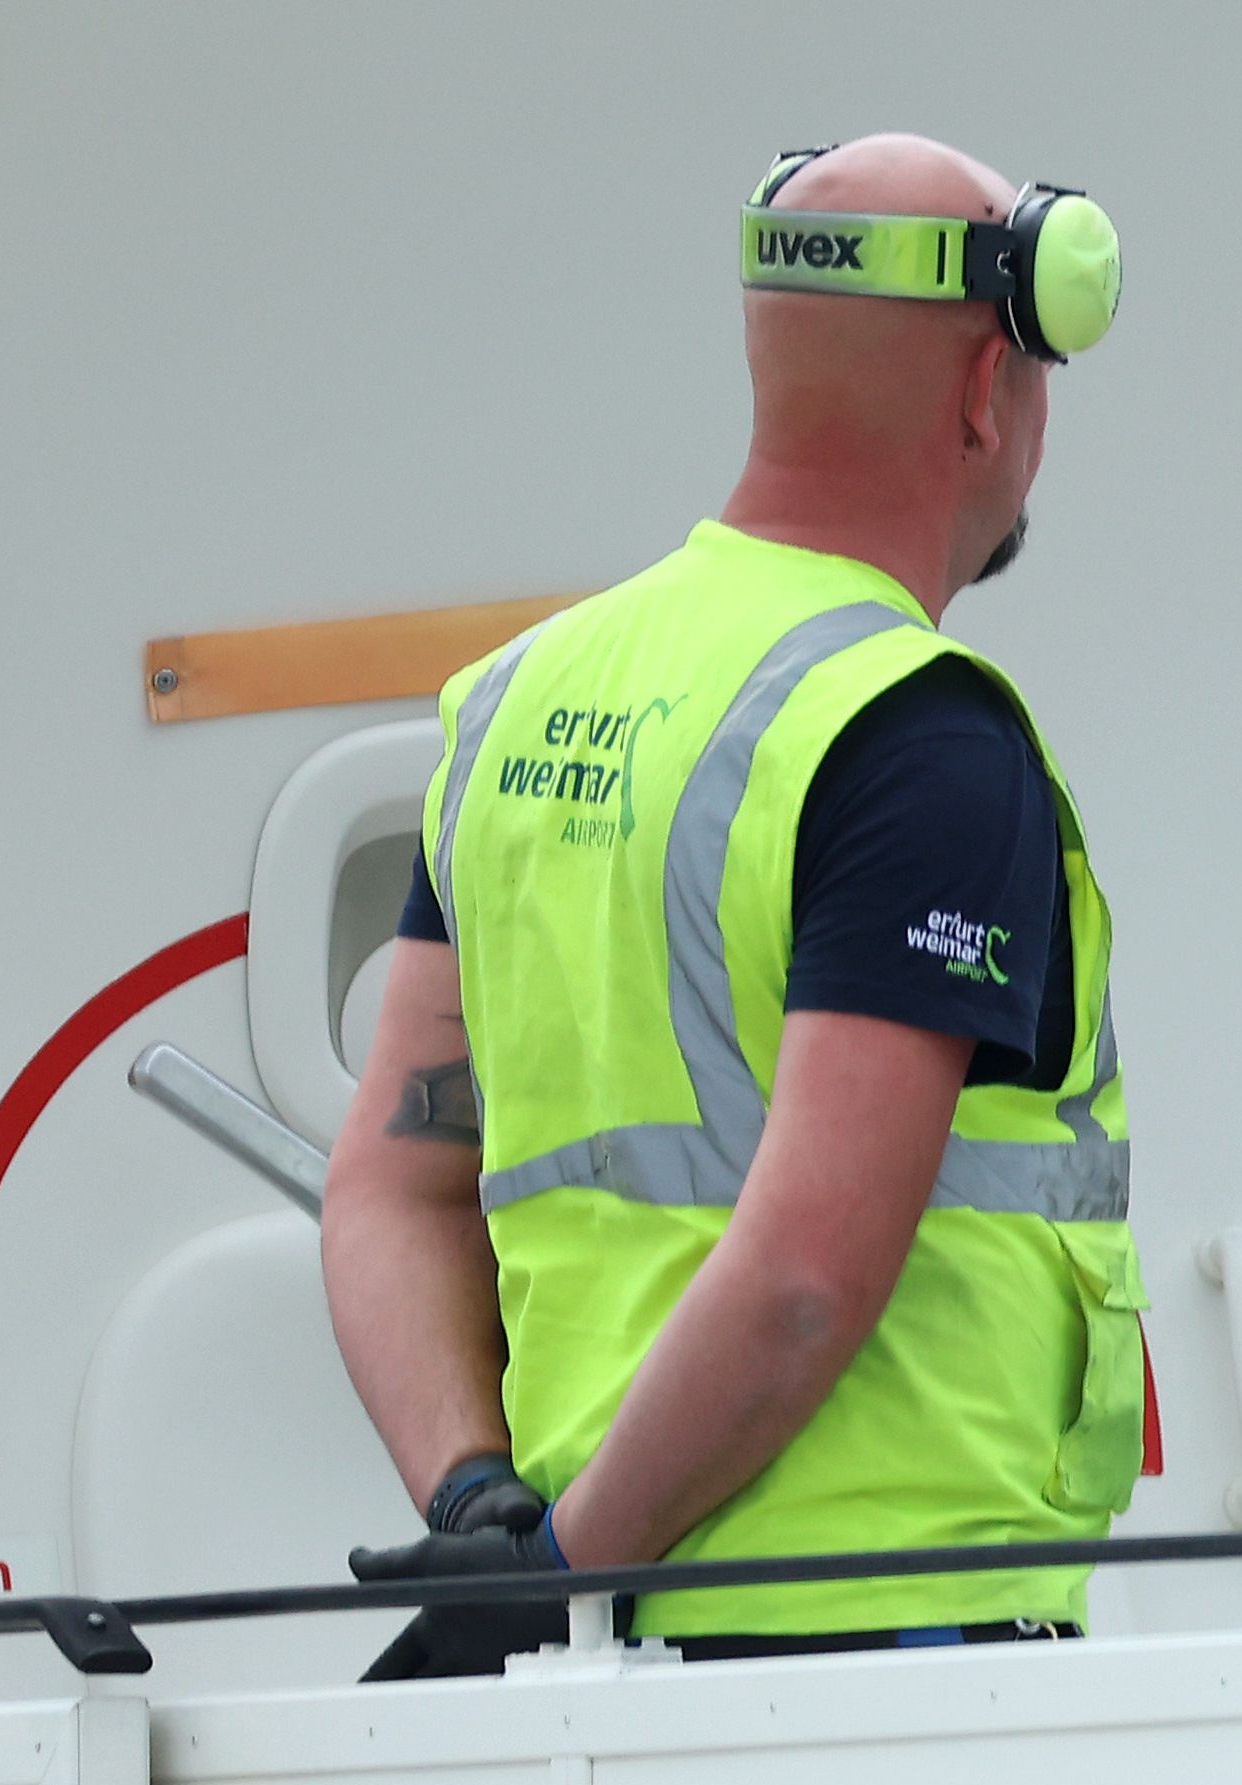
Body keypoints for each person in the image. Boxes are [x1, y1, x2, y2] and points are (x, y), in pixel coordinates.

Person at [325, 134, 1140, 1672]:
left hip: (616, 1654)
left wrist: (484, 1505)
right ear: (987, 393)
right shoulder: (917, 733)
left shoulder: (514, 707)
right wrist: (557, 1568)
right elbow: (802, 1281)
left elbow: (392, 1184)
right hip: (879, 1637)